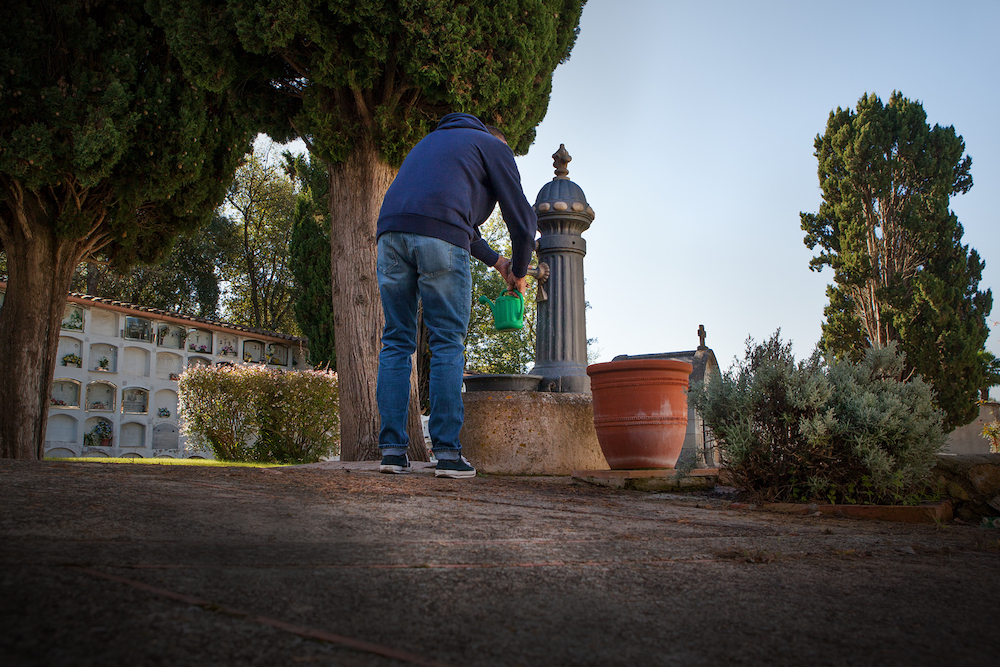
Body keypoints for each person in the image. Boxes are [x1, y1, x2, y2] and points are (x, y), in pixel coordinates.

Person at [375, 112, 537, 478]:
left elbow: (448, 218)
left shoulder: (430, 144)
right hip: (440, 239)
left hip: (390, 235)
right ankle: (447, 454)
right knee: (448, 342)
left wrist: (499, 263)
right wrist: (520, 269)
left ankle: (392, 453)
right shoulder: (493, 146)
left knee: (396, 341)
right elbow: (522, 221)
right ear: (499, 141)